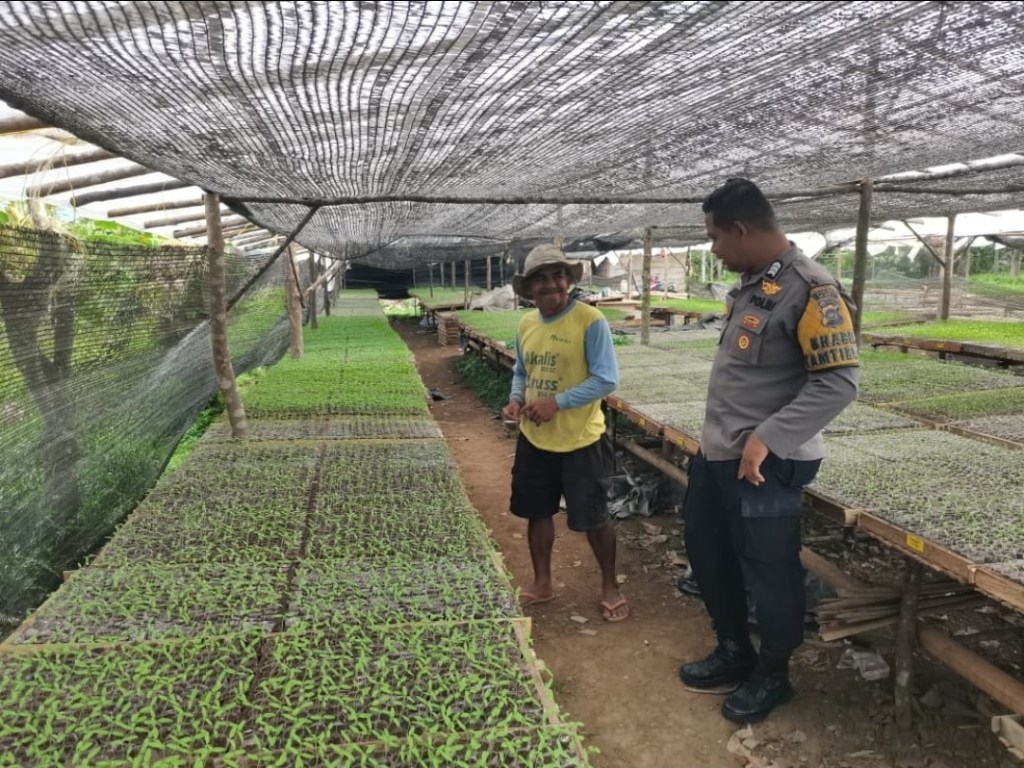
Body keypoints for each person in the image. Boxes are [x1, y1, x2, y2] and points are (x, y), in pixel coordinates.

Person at [679, 178, 859, 723]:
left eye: (714, 237)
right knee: (709, 554)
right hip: (720, 456)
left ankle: (774, 674)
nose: (714, 249)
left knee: (770, 568)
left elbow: (839, 383)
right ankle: (735, 650)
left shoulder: (812, 288)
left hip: (767, 462)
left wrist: (768, 437)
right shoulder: (756, 283)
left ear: (740, 229)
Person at [501, 243, 628, 622]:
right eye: (541, 278)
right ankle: (542, 582)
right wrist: (515, 399)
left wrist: (557, 402)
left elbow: (606, 379)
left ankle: (610, 585)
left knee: (594, 517)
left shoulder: (590, 320)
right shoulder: (526, 324)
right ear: (530, 288)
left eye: (558, 275)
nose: (551, 284)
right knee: (537, 513)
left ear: (568, 280)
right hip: (536, 439)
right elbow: (522, 371)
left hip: (581, 441)